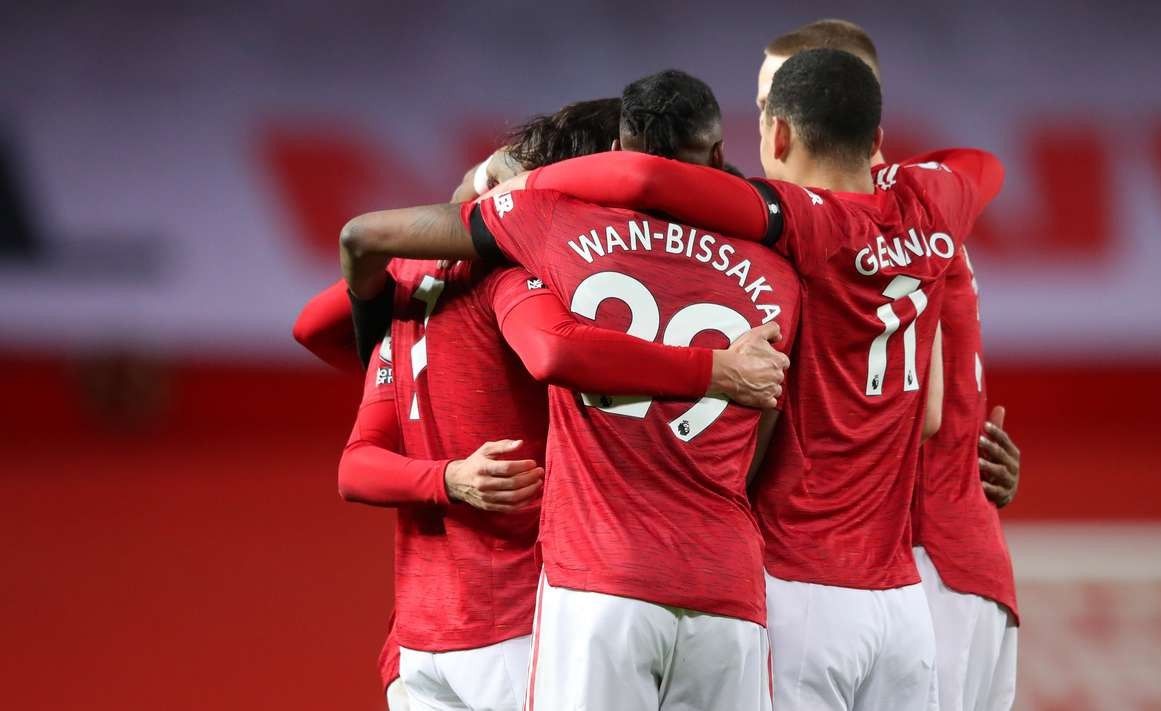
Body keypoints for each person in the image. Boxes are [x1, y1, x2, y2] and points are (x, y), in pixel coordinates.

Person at [492, 49, 1004, 710]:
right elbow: (983, 166)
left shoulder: (802, 220)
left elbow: (647, 180)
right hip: (901, 603)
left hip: (799, 582)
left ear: (779, 134)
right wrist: (891, 189)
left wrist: (522, 184)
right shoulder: (935, 204)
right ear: (875, 137)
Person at [300, 97, 789, 711]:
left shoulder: (411, 279)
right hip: (520, 620)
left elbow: (314, 328)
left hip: (419, 638)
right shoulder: (524, 278)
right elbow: (554, 350)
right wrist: (715, 370)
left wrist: (476, 192)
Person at [764, 21, 1021, 711]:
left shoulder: (835, 231)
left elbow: (927, 414)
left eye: (770, 104)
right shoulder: (926, 213)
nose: (762, 127)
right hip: (956, 565)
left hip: (912, 562)